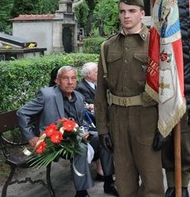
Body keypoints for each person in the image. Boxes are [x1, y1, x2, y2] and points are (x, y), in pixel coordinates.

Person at [94, 0, 165, 197]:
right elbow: (100, 92)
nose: (126, 16)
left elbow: (167, 87)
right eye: (122, 11)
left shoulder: (155, 43)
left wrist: (165, 127)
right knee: (124, 182)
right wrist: (103, 129)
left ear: (142, 14)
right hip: (117, 119)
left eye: (132, 11)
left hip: (147, 118)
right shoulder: (108, 46)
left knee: (152, 182)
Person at [17, 66, 117, 197]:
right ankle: (82, 193)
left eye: (73, 78)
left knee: (103, 138)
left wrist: (85, 131)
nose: (70, 82)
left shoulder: (79, 97)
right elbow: (22, 113)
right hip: (54, 140)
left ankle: (109, 182)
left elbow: (81, 122)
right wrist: (31, 137)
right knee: (79, 147)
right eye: (65, 78)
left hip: (75, 136)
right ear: (58, 80)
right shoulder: (47, 95)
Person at [76, 62, 105, 180]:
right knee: (100, 134)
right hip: (90, 121)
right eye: (96, 72)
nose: (98, 74)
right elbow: (89, 104)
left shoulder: (94, 84)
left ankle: (106, 167)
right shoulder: (81, 88)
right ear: (88, 74)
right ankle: (102, 169)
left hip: (95, 117)